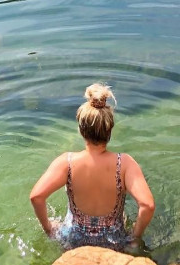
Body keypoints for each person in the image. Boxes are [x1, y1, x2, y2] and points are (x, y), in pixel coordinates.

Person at [29, 83, 155, 251]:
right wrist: (134, 238)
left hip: (72, 242)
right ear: (109, 130)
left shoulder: (66, 162)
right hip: (113, 242)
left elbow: (36, 196)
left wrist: (49, 229)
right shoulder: (124, 164)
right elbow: (147, 205)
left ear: (81, 130)